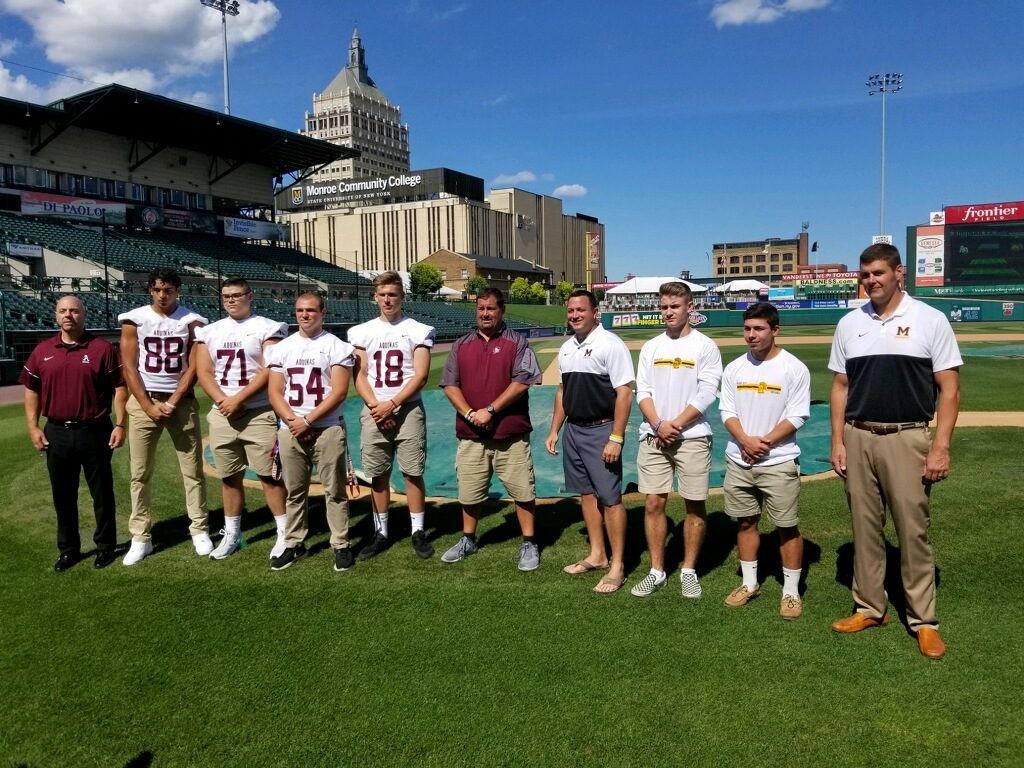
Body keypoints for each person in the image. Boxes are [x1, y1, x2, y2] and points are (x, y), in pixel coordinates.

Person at [829, 243, 962, 660]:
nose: (871, 280)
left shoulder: (930, 319)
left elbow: (950, 388)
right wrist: (837, 440)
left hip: (908, 437)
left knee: (911, 530)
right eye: (865, 274)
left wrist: (940, 445)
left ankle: (923, 620)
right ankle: (870, 607)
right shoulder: (850, 323)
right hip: (858, 434)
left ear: (899, 273)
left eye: (878, 273)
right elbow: (840, 387)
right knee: (864, 529)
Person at [629, 282, 722, 599]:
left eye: (675, 306)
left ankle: (689, 570)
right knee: (654, 502)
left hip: (692, 436)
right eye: (664, 306)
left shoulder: (705, 346)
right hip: (653, 435)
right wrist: (657, 423)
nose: (669, 312)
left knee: (694, 504)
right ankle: (657, 571)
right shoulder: (652, 347)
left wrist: (676, 425)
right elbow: (643, 391)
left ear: (689, 307)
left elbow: (707, 392)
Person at [439, 288, 543, 571]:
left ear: (501, 311)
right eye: (481, 308)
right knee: (470, 494)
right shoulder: (461, 344)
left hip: (510, 434)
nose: (485, 313)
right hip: (472, 434)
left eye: (491, 309)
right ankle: (468, 539)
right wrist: (471, 413)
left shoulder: (517, 342)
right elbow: (450, 385)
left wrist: (491, 410)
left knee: (523, 492)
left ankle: (529, 542)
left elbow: (522, 382)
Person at [21, 295, 127, 571]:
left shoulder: (102, 349)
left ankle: (106, 546)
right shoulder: (42, 351)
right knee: (63, 495)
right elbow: (31, 390)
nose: (69, 315)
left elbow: (120, 387)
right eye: (63, 311)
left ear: (84, 314)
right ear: (56, 315)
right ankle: (68, 549)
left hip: (95, 430)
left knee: (102, 493)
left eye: (75, 311)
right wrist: (32, 427)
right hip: (56, 432)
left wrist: (120, 423)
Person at [719, 303, 810, 619]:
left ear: (775, 330)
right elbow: (727, 412)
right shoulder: (734, 369)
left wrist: (765, 442)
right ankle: (749, 583)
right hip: (739, 459)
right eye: (747, 329)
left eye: (758, 329)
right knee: (745, 521)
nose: (751, 335)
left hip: (779, 460)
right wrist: (745, 441)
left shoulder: (793, 368)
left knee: (786, 526)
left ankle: (790, 592)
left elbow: (797, 415)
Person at [544, 289, 634, 594]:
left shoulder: (610, 344)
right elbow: (562, 392)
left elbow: (624, 393)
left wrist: (616, 437)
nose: (574, 315)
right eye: (570, 311)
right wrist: (555, 428)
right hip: (574, 430)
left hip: (602, 430)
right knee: (586, 494)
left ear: (595, 312)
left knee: (610, 499)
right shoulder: (567, 347)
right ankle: (597, 555)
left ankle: (618, 565)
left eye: (580, 310)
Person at [119, 268, 210, 565]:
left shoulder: (191, 320)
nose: (162, 295)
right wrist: (146, 405)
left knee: (192, 470)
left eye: (168, 289)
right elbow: (129, 367)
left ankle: (199, 528)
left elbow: (195, 365)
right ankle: (141, 536)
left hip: (180, 402)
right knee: (139, 473)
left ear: (177, 290)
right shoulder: (134, 319)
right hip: (145, 401)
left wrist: (173, 400)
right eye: (157, 289)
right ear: (150, 290)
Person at [195, 277, 289, 560]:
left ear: (250, 296)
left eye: (237, 295)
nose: (232, 300)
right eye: (226, 296)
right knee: (229, 477)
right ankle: (232, 533)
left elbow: (269, 369)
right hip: (222, 413)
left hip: (258, 411)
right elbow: (204, 372)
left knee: (269, 476)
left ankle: (285, 533)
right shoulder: (210, 331)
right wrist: (224, 401)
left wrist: (239, 399)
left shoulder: (267, 328)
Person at [347, 271, 436, 560]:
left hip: (407, 408)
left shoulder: (418, 329)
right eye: (383, 294)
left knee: (412, 472)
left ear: (402, 297)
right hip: (374, 408)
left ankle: (418, 531)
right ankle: (381, 531)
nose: (387, 299)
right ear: (375, 297)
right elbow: (359, 375)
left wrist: (392, 404)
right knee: (378, 474)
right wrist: (376, 406)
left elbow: (420, 375)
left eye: (393, 294)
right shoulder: (362, 332)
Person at [266, 293, 357, 571]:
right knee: (295, 491)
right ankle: (294, 543)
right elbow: (274, 391)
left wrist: (308, 420)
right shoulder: (282, 348)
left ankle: (340, 544)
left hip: (327, 426)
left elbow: (340, 390)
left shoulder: (337, 346)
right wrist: (293, 420)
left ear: (322, 312)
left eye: (310, 310)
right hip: (291, 427)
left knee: (335, 490)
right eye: (299, 310)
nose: (305, 315)